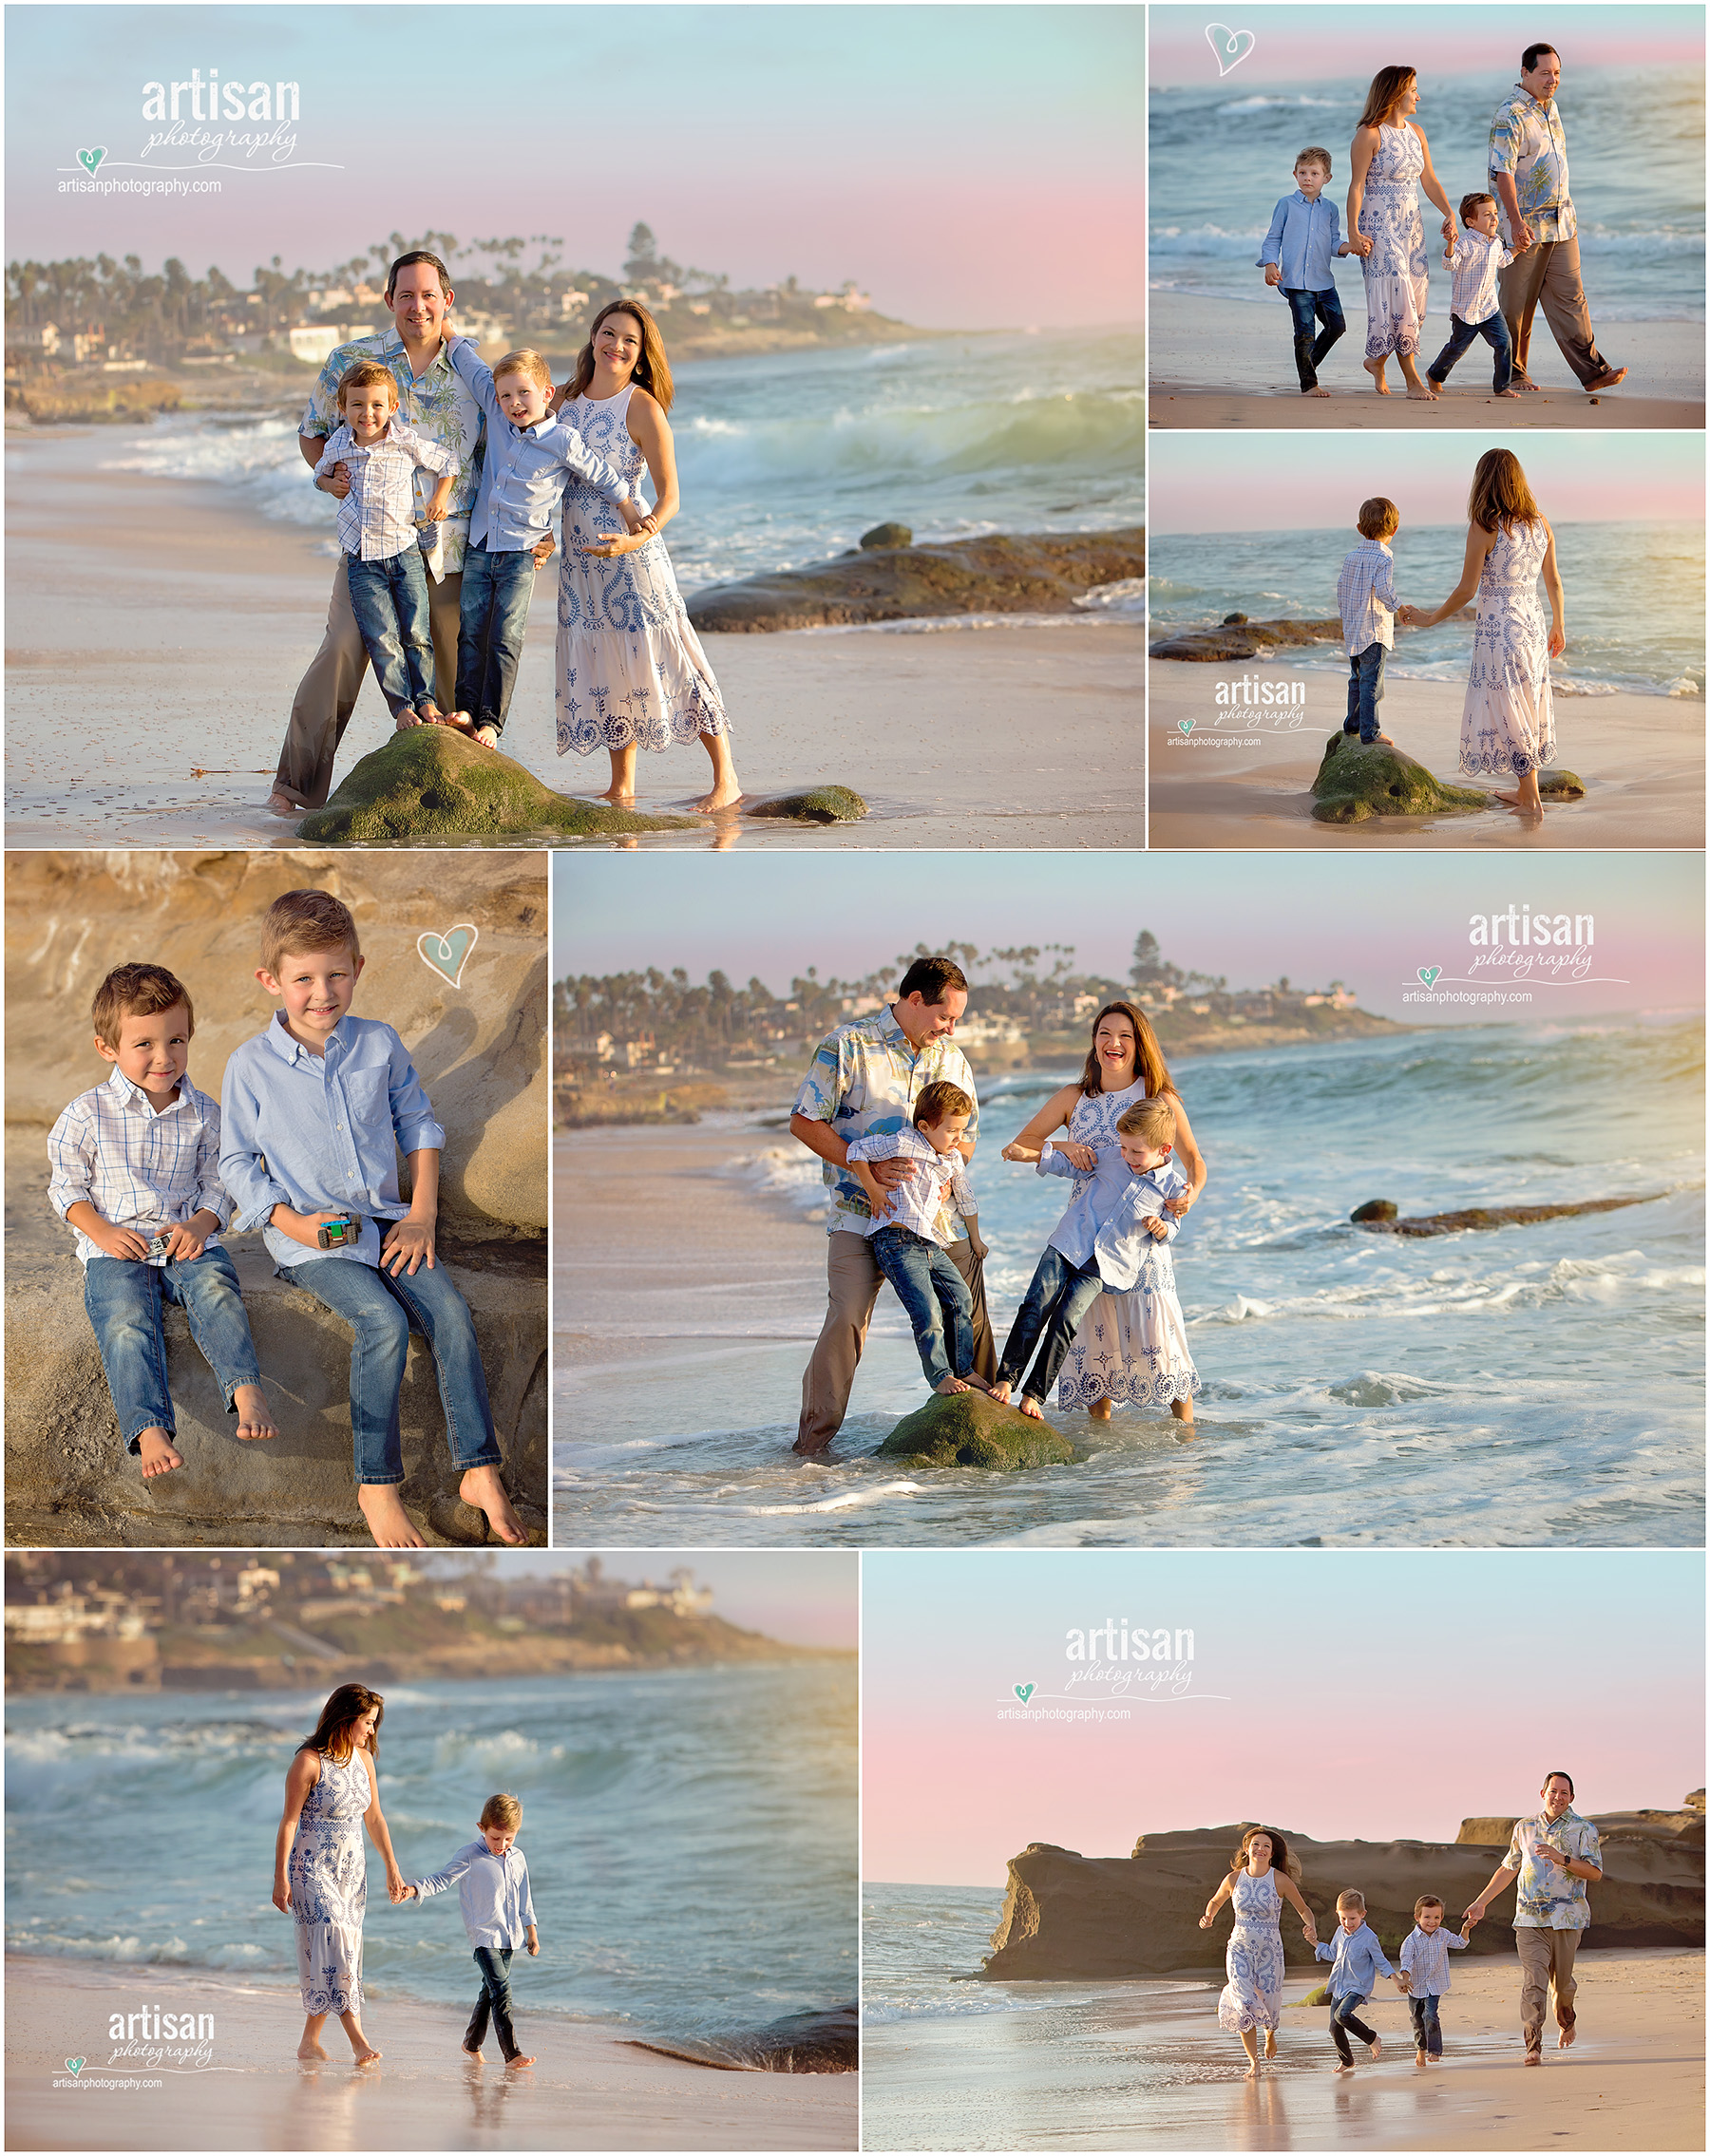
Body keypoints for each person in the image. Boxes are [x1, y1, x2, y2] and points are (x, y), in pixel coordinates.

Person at [218, 888, 525, 1549]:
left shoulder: (379, 1044)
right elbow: (237, 1161)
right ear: (271, 981)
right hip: (314, 1239)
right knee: (382, 1320)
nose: (321, 993)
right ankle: (377, 1486)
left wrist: (420, 1216)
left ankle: (479, 1469)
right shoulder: (250, 1065)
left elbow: (419, 1123)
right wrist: (291, 1223)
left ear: (359, 967)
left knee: (449, 1314)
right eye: (303, 979)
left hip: (386, 1221)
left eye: (336, 974)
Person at [270, 250, 521, 815]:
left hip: (455, 546)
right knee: (341, 650)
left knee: (453, 679)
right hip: (371, 543)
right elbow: (312, 433)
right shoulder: (350, 361)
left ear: (446, 301)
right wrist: (328, 475)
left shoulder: (473, 370)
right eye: (406, 295)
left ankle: (453, 803)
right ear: (389, 301)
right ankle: (295, 787)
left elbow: (510, 444)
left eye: (429, 295)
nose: (417, 305)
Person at [47, 962, 276, 1481]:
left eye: (176, 1040)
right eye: (144, 1044)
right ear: (108, 1048)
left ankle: (245, 1388)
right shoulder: (86, 1114)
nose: (163, 1057)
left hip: (183, 1239)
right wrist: (102, 1232)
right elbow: (67, 1189)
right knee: (126, 1321)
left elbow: (220, 1182)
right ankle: (150, 1425)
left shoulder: (206, 1114)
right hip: (116, 1246)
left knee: (217, 1287)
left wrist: (200, 1225)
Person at [789, 955, 996, 1451]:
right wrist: (869, 1171)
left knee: (968, 1310)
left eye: (957, 1021)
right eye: (945, 1017)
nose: (950, 1029)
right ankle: (812, 1446)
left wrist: (951, 1171)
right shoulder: (847, 1046)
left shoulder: (952, 1059)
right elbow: (804, 1121)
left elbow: (968, 1138)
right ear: (915, 1000)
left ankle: (984, 1423)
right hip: (861, 1214)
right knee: (847, 1319)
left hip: (936, 1220)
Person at [548, 300, 741, 813]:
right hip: (580, 563)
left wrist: (639, 537)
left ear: (641, 354)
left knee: (672, 659)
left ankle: (727, 778)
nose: (616, 345)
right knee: (610, 665)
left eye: (629, 340)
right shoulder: (563, 401)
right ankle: (622, 784)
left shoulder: (641, 407)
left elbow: (670, 496)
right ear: (593, 338)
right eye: (608, 334)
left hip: (633, 560)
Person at [1000, 1000, 1206, 1422]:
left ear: (1139, 1044)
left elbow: (1193, 1159)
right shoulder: (1073, 1097)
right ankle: (1102, 1458)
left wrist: (1191, 1196)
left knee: (1159, 1340)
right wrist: (1062, 1146)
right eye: (1104, 1034)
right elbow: (1024, 1142)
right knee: (1092, 1336)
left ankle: (1188, 1442)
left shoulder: (1156, 1096)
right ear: (1094, 1041)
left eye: (1125, 1036)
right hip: (1083, 1237)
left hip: (1140, 1240)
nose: (1113, 1043)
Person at [440, 334, 642, 748]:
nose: (514, 403)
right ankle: (464, 708)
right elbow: (476, 371)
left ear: (546, 393)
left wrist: (635, 517)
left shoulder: (563, 440)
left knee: (505, 638)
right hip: (480, 545)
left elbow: (603, 476)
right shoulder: (498, 419)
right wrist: (449, 333)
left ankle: (491, 723)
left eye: (524, 394)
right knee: (471, 631)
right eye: (506, 396)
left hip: (520, 553)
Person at [1398, 447, 1564, 818]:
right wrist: (1559, 624)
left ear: (1483, 482)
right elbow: (1552, 580)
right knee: (1526, 704)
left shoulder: (1486, 526)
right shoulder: (1540, 523)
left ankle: (1531, 800)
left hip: (1499, 630)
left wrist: (1428, 618)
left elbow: (1467, 590)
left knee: (1509, 708)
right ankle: (1526, 792)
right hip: (1533, 625)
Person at [311, 361, 460, 729]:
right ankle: (402, 708)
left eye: (377, 404)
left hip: (405, 552)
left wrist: (440, 497)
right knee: (382, 637)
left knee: (416, 632)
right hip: (362, 560)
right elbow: (318, 475)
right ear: (343, 409)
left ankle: (426, 702)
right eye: (357, 405)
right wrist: (331, 484)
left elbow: (448, 461)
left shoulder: (404, 440)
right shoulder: (338, 446)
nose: (367, 414)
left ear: (392, 407)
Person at [273, 1684, 408, 2065]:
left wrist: (392, 1868)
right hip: (311, 1868)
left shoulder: (364, 1760)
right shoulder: (308, 1762)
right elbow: (288, 1822)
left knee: (334, 1951)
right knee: (337, 1944)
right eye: (367, 1723)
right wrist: (281, 1878)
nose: (371, 1731)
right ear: (346, 1718)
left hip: (351, 1872)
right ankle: (359, 2041)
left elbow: (376, 1818)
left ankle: (308, 2043)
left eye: (374, 1724)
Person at [1489, 45, 1627, 395]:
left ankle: (1593, 371)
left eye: (1557, 73)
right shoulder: (1510, 114)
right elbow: (1501, 173)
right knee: (1517, 306)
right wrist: (1516, 223)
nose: (1553, 80)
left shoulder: (1551, 108)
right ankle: (1512, 374)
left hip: (1562, 222)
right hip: (1525, 226)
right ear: (1524, 73)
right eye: (1545, 73)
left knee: (1571, 298)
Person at [846, 1080, 982, 1399]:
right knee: (927, 1310)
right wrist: (873, 1189)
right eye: (951, 1131)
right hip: (895, 1242)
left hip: (931, 1243)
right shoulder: (903, 1142)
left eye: (962, 1131)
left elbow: (966, 1198)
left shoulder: (952, 1160)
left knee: (961, 1299)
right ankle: (939, 1376)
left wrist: (976, 1239)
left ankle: (964, 1368)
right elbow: (856, 1151)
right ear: (924, 1126)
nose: (958, 1139)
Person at [1462, 1769, 1604, 2065]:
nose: (1558, 1797)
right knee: (1534, 1981)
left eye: (1564, 1793)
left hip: (1568, 1918)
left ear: (1572, 1798)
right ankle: (1533, 2044)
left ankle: (1566, 2020)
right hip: (1528, 1919)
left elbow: (1595, 1872)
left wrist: (1561, 1858)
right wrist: (1480, 1902)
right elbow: (1509, 1868)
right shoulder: (1524, 1827)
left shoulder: (1584, 1829)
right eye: (1553, 1791)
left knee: (1562, 1986)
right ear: (1543, 1794)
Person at [398, 1792, 539, 2069]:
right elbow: (442, 1879)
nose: (502, 1844)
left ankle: (471, 2044)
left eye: (509, 1838)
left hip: (510, 1938)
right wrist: (415, 1888)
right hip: (484, 1938)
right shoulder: (470, 1856)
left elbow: (526, 1899)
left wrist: (531, 1933)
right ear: (481, 1828)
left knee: (489, 1992)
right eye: (495, 1837)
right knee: (502, 1991)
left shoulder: (518, 1858)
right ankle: (512, 2054)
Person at [1345, 66, 1456, 399]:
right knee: (1397, 297)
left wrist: (1450, 213)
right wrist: (1352, 232)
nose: (1418, 95)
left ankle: (1377, 360)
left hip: (1412, 227)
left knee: (1416, 300)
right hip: (1378, 229)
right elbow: (1357, 186)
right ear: (1395, 94)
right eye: (1413, 90)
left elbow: (1429, 180)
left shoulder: (1416, 132)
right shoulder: (1369, 134)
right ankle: (1412, 381)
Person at [1201, 1826, 1318, 2077]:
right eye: (1255, 1844)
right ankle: (1254, 2061)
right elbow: (1216, 1900)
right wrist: (1209, 1915)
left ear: (1272, 1852)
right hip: (1238, 1948)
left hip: (1269, 1951)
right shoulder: (1233, 1879)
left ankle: (1270, 2035)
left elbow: (1304, 1909)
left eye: (1266, 1846)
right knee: (1243, 2000)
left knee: (1268, 2001)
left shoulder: (1280, 1880)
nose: (1260, 1849)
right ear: (1247, 1848)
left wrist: (1311, 1926)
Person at [1256, 147, 1354, 395]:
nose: (1307, 178)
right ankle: (1309, 383)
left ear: (1326, 178)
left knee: (1337, 326)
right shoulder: (1286, 205)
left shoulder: (1330, 209)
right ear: (1295, 174)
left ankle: (1307, 365)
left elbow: (1333, 243)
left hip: (1323, 282)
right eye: (1302, 172)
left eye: (1314, 173)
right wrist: (1270, 264)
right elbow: (1273, 238)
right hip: (1296, 283)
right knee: (1305, 332)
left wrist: (1349, 247)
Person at [1427, 194, 1521, 398]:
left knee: (1504, 343)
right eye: (1487, 214)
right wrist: (1450, 244)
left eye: (1495, 213)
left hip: (1489, 307)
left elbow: (1502, 261)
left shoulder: (1496, 242)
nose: (1494, 218)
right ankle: (1434, 374)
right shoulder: (1464, 243)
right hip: (1466, 309)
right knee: (1457, 348)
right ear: (1471, 222)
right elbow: (1449, 264)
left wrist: (1518, 249)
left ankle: (1502, 386)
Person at [1337, 497, 1403, 747]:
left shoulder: (1351, 557)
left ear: (1359, 529)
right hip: (1375, 632)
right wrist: (1400, 607)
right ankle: (1370, 732)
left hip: (1354, 629)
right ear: (1394, 530)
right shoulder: (1384, 558)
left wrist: (1347, 617)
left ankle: (1352, 725)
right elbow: (1384, 591)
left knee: (1356, 679)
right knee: (1373, 685)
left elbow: (1341, 589)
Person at [1314, 1888, 1403, 2072]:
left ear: (1362, 1914)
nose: (1347, 1923)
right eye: (1343, 1918)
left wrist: (1395, 1979)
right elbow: (1332, 1954)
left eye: (1352, 1918)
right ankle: (1347, 2061)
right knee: (1334, 2028)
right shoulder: (1340, 1932)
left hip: (1358, 1986)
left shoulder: (1369, 1938)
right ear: (1338, 1914)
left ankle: (1371, 2038)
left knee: (1342, 2015)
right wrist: (1315, 1943)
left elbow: (1381, 1961)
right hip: (1339, 1985)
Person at [1398, 1894, 1471, 2065]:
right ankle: (1420, 2050)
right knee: (1417, 2020)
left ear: (1442, 1918)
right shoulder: (1411, 1941)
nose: (1432, 1921)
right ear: (1417, 1918)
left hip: (1436, 1984)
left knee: (1430, 2015)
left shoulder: (1443, 1934)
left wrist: (1466, 1927)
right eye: (1427, 1917)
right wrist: (1405, 1980)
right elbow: (1406, 1962)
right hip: (1415, 1987)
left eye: (1436, 1917)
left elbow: (1461, 1943)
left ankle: (1435, 2050)